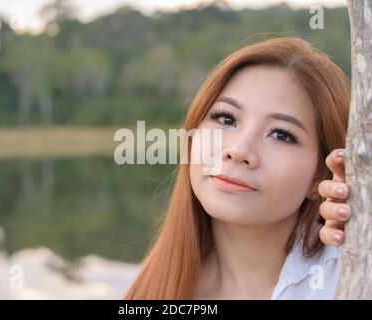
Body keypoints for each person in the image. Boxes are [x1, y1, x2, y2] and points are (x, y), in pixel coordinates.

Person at [124, 37, 351, 299]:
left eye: (281, 135)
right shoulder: (156, 288)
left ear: (319, 175)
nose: (238, 150)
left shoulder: (353, 278)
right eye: (226, 118)